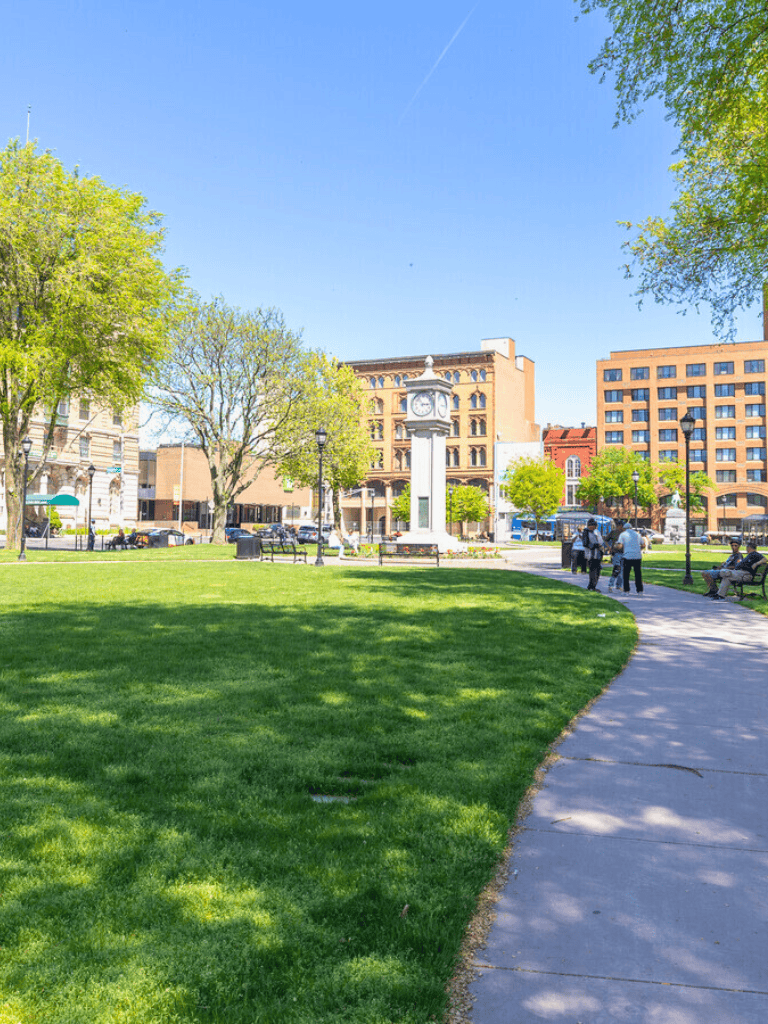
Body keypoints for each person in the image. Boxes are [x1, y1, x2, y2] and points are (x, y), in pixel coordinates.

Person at [617, 521, 644, 595]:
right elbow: (643, 544)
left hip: (627, 556)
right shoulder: (637, 534)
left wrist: (616, 547)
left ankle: (626, 591)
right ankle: (640, 591)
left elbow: (620, 546)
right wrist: (638, 549)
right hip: (637, 556)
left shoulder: (622, 534)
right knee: (638, 574)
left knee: (626, 574)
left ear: (624, 528)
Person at [582, 518, 605, 591]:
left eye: (594, 526)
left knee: (597, 571)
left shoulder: (596, 532)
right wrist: (594, 545)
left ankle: (593, 585)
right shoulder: (586, 532)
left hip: (598, 554)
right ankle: (591, 586)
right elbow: (585, 543)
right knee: (593, 570)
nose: (594, 527)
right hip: (591, 554)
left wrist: (600, 545)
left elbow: (601, 541)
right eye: (592, 526)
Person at [605, 516, 625, 592]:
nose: (623, 528)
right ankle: (610, 585)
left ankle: (619, 585)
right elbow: (606, 540)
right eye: (623, 526)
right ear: (619, 526)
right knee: (616, 569)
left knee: (622, 571)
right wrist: (609, 547)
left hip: (624, 553)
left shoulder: (625, 534)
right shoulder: (613, 532)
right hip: (616, 553)